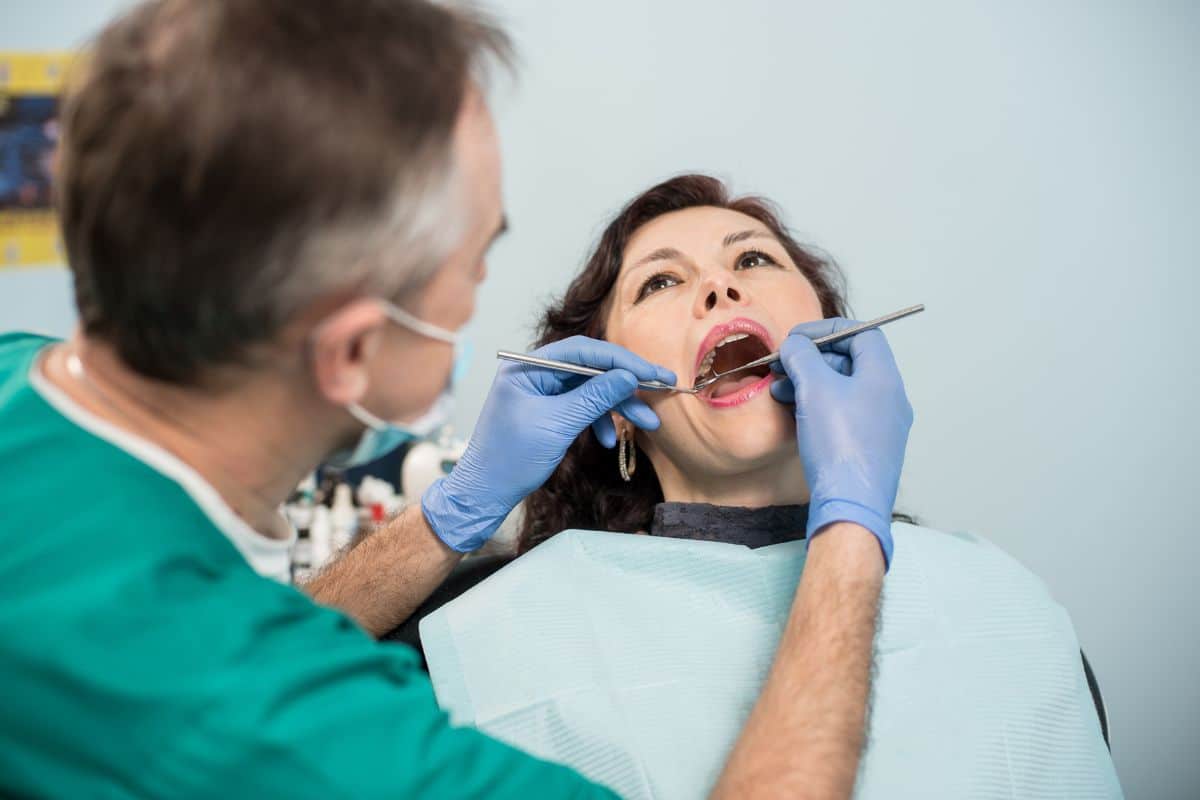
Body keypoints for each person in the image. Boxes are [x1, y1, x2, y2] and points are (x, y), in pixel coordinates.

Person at [0, 2, 908, 798]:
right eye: (476, 258)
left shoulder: (22, 385)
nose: (718, 291)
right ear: (354, 350)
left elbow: (206, 652)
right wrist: (852, 535)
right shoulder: (329, 729)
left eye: (753, 258)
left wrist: (450, 513)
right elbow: (212, 688)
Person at [394, 174, 1121, 798]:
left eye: (752, 258)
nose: (721, 285)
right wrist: (450, 513)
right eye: (662, 280)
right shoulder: (480, 630)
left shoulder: (1003, 606)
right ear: (617, 404)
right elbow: (277, 702)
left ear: (832, 339)